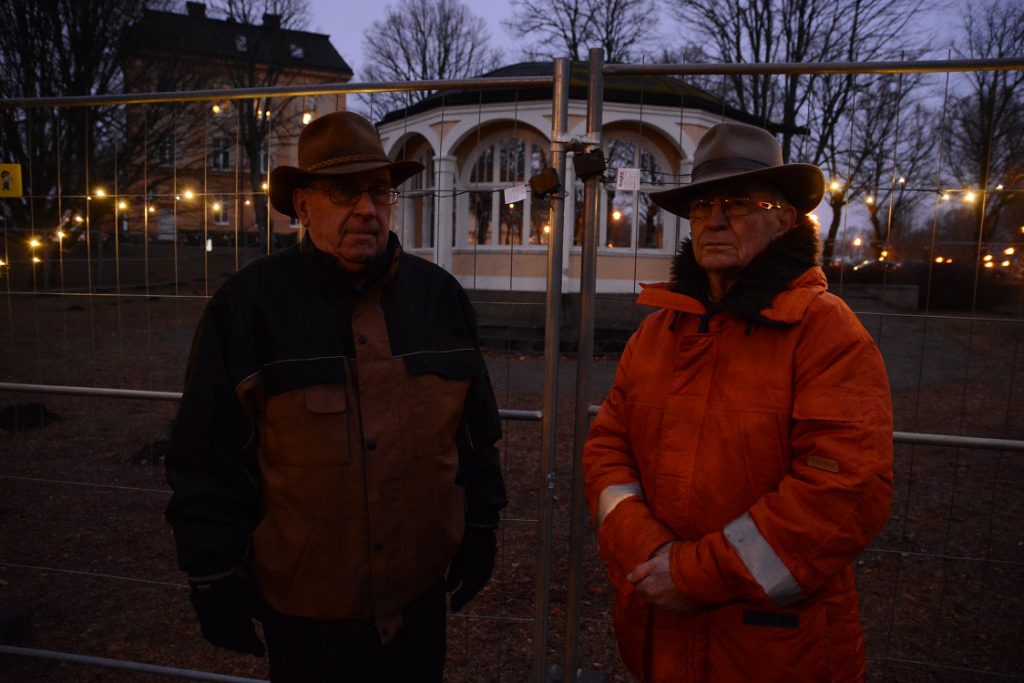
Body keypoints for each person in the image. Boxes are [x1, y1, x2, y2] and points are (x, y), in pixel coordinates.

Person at [165, 111, 507, 682]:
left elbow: (476, 434)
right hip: (308, 618)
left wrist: (481, 531)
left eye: (379, 191)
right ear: (302, 206)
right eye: (343, 191)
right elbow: (206, 455)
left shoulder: (438, 300)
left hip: (417, 605)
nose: (367, 209)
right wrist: (213, 575)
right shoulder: (248, 308)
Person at [582, 121, 893, 682]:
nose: (715, 219)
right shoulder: (657, 334)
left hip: (774, 653)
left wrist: (693, 575)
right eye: (702, 206)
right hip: (659, 636)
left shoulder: (826, 334)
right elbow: (607, 450)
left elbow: (842, 493)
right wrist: (649, 551)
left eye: (739, 203)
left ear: (786, 219)